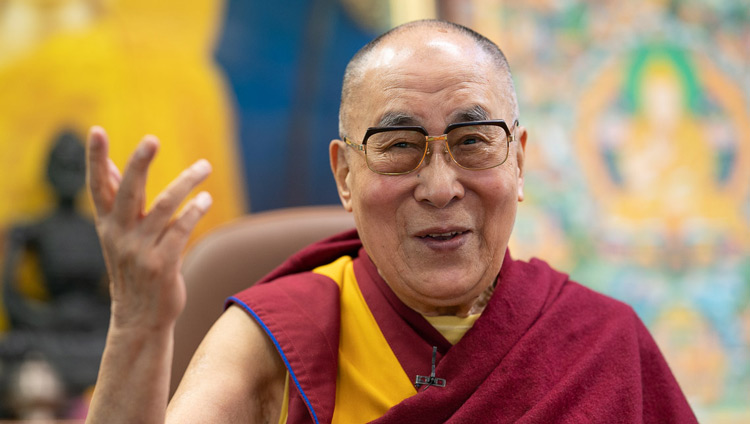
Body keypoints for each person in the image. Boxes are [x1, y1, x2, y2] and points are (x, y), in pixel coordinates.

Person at [84, 20, 697, 423]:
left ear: (519, 160)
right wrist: (138, 319)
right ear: (345, 176)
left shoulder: (599, 341)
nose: (439, 186)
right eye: (399, 144)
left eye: (473, 141)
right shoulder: (278, 335)